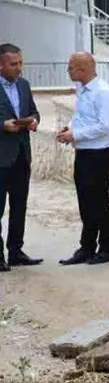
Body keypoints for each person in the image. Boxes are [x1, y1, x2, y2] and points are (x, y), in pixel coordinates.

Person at [57, 53, 109, 265]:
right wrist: (70, 128)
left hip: (98, 155)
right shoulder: (82, 90)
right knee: (85, 203)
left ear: (81, 69)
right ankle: (87, 247)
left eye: (70, 68)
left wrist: (75, 135)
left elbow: (104, 126)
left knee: (99, 202)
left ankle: (107, 248)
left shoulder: (103, 92)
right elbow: (81, 117)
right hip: (83, 153)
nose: (69, 72)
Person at [0, 43, 42, 271]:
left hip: (21, 157)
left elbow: (34, 111)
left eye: (20, 63)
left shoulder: (24, 85)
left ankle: (15, 251)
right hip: (1, 159)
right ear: (1, 64)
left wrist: (34, 120)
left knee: (19, 207)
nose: (19, 68)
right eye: (13, 64)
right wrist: (2, 126)